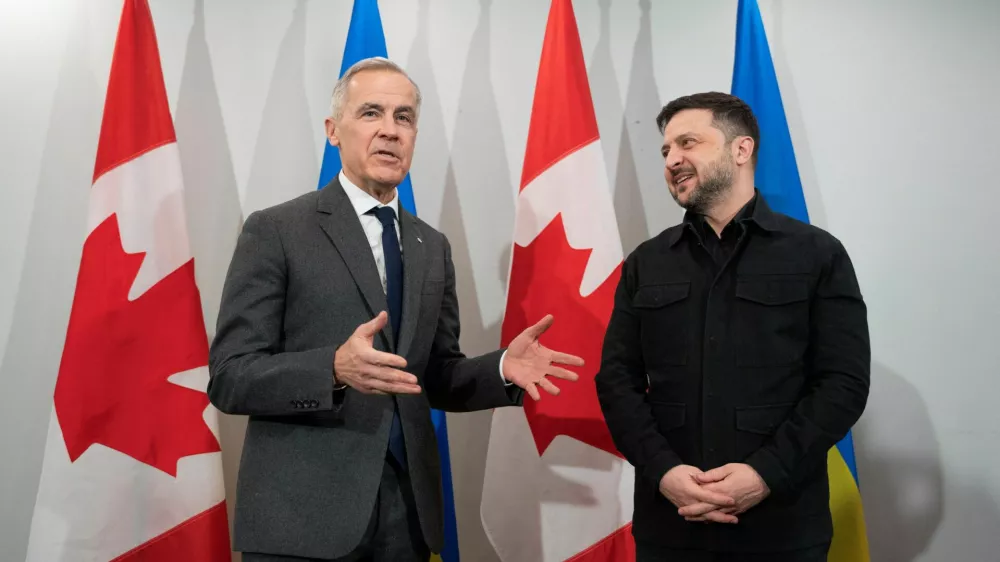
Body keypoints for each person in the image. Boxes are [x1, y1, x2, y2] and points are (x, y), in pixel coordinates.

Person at [207, 57, 584, 562]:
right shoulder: (276, 230)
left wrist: (500, 370)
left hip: (407, 521)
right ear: (333, 131)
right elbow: (230, 377)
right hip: (301, 523)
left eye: (403, 117)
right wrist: (333, 369)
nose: (390, 131)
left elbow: (433, 375)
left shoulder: (432, 245)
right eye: (371, 113)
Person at [595, 92, 870, 562]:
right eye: (665, 151)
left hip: (783, 526)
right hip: (672, 524)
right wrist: (663, 472)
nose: (672, 160)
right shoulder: (647, 262)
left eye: (687, 143)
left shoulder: (816, 254)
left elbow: (842, 383)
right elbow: (616, 380)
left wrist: (765, 474)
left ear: (741, 150)